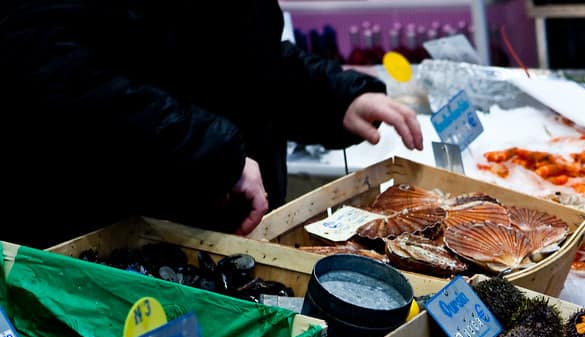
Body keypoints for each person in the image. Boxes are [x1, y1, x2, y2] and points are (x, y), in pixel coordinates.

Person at [0, 0, 424, 247]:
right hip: (108, 245)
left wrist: (336, 97)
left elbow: (241, 58)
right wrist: (214, 154)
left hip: (220, 233)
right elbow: (50, 69)